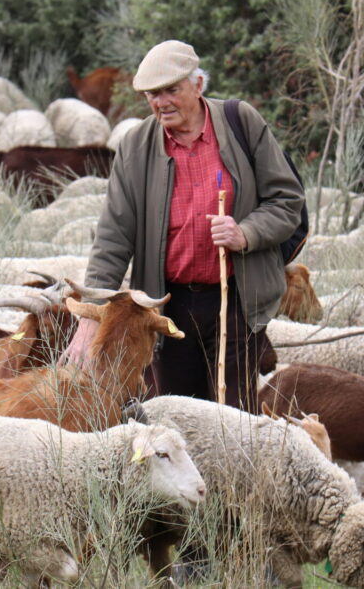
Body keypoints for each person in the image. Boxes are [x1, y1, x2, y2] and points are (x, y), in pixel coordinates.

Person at [60, 40, 304, 412]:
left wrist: (246, 233)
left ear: (198, 85)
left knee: (234, 420)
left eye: (172, 90)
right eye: (152, 95)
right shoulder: (136, 146)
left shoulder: (241, 123)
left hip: (235, 299)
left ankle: (236, 473)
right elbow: (113, 237)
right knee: (177, 416)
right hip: (168, 307)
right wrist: (91, 313)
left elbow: (287, 201)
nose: (162, 102)